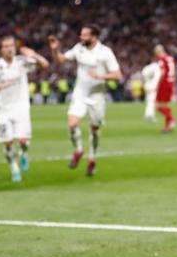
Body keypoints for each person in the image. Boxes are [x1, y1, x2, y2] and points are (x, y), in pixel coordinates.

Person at [48, 26, 122, 176]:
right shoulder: (79, 48)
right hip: (80, 93)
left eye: (85, 35)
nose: (81, 37)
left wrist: (101, 76)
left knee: (94, 130)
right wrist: (55, 50)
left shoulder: (105, 52)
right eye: (81, 35)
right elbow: (61, 60)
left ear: (94, 37)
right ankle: (79, 150)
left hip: (97, 96)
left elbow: (117, 75)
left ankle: (92, 159)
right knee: (72, 124)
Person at [0, 37, 49, 181]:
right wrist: (2, 85)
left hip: (21, 107)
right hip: (3, 109)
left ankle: (23, 154)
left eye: (11, 45)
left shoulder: (21, 62)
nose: (9, 49)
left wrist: (33, 54)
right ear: (1, 50)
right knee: (7, 142)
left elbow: (45, 64)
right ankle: (14, 168)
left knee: (23, 141)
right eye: (6, 46)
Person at [153, 45, 177, 132]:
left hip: (164, 83)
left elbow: (163, 72)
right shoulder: (171, 58)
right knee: (167, 106)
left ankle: (173, 118)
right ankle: (167, 127)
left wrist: (157, 84)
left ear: (158, 52)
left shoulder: (162, 60)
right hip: (171, 83)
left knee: (158, 106)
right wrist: (174, 85)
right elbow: (174, 72)